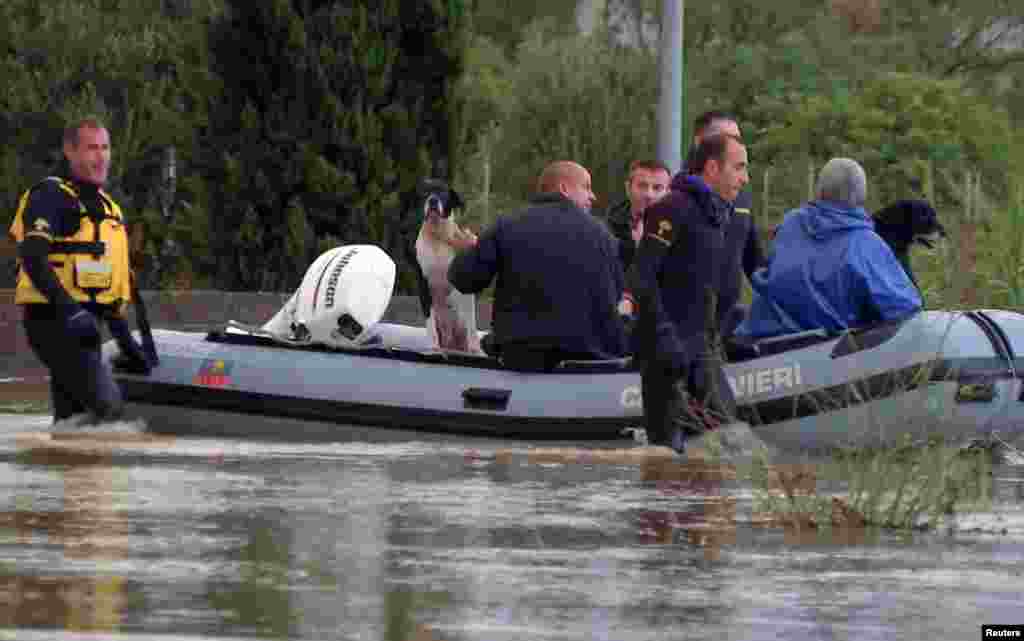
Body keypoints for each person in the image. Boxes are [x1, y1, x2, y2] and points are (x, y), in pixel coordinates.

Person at [8, 116, 152, 425]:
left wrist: (128, 344)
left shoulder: (109, 209)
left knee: (71, 418)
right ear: (70, 152)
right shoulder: (51, 196)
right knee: (108, 411)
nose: (101, 157)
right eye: (91, 148)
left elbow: (108, 295)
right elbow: (33, 256)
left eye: (105, 148)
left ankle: (64, 464)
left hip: (87, 329)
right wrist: (70, 310)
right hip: (53, 321)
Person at [628, 134, 750, 452]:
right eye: (738, 168)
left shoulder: (717, 214)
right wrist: (664, 335)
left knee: (726, 443)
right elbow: (641, 277)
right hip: (666, 353)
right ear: (712, 167)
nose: (745, 178)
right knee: (666, 457)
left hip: (703, 349)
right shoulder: (672, 207)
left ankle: (707, 501)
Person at [448, 160, 627, 371]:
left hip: (521, 356)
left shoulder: (508, 225)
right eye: (586, 187)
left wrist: (469, 249)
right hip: (589, 359)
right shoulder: (604, 236)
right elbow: (616, 297)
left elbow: (464, 279)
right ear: (564, 189)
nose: (593, 196)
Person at [735, 158, 922, 340]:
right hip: (820, 351)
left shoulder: (792, 222)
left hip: (759, 341)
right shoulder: (866, 243)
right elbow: (905, 308)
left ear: (820, 190)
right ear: (862, 195)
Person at [686, 111, 767, 335]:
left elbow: (754, 261)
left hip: (728, 327)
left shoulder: (741, 196)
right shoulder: (676, 195)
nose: (736, 145)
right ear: (700, 142)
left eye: (738, 139)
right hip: (687, 329)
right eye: (728, 138)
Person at [601, 160, 671, 316]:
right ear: (628, 188)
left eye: (657, 188)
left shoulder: (679, 229)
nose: (649, 194)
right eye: (642, 186)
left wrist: (647, 247)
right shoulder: (607, 229)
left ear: (668, 193)